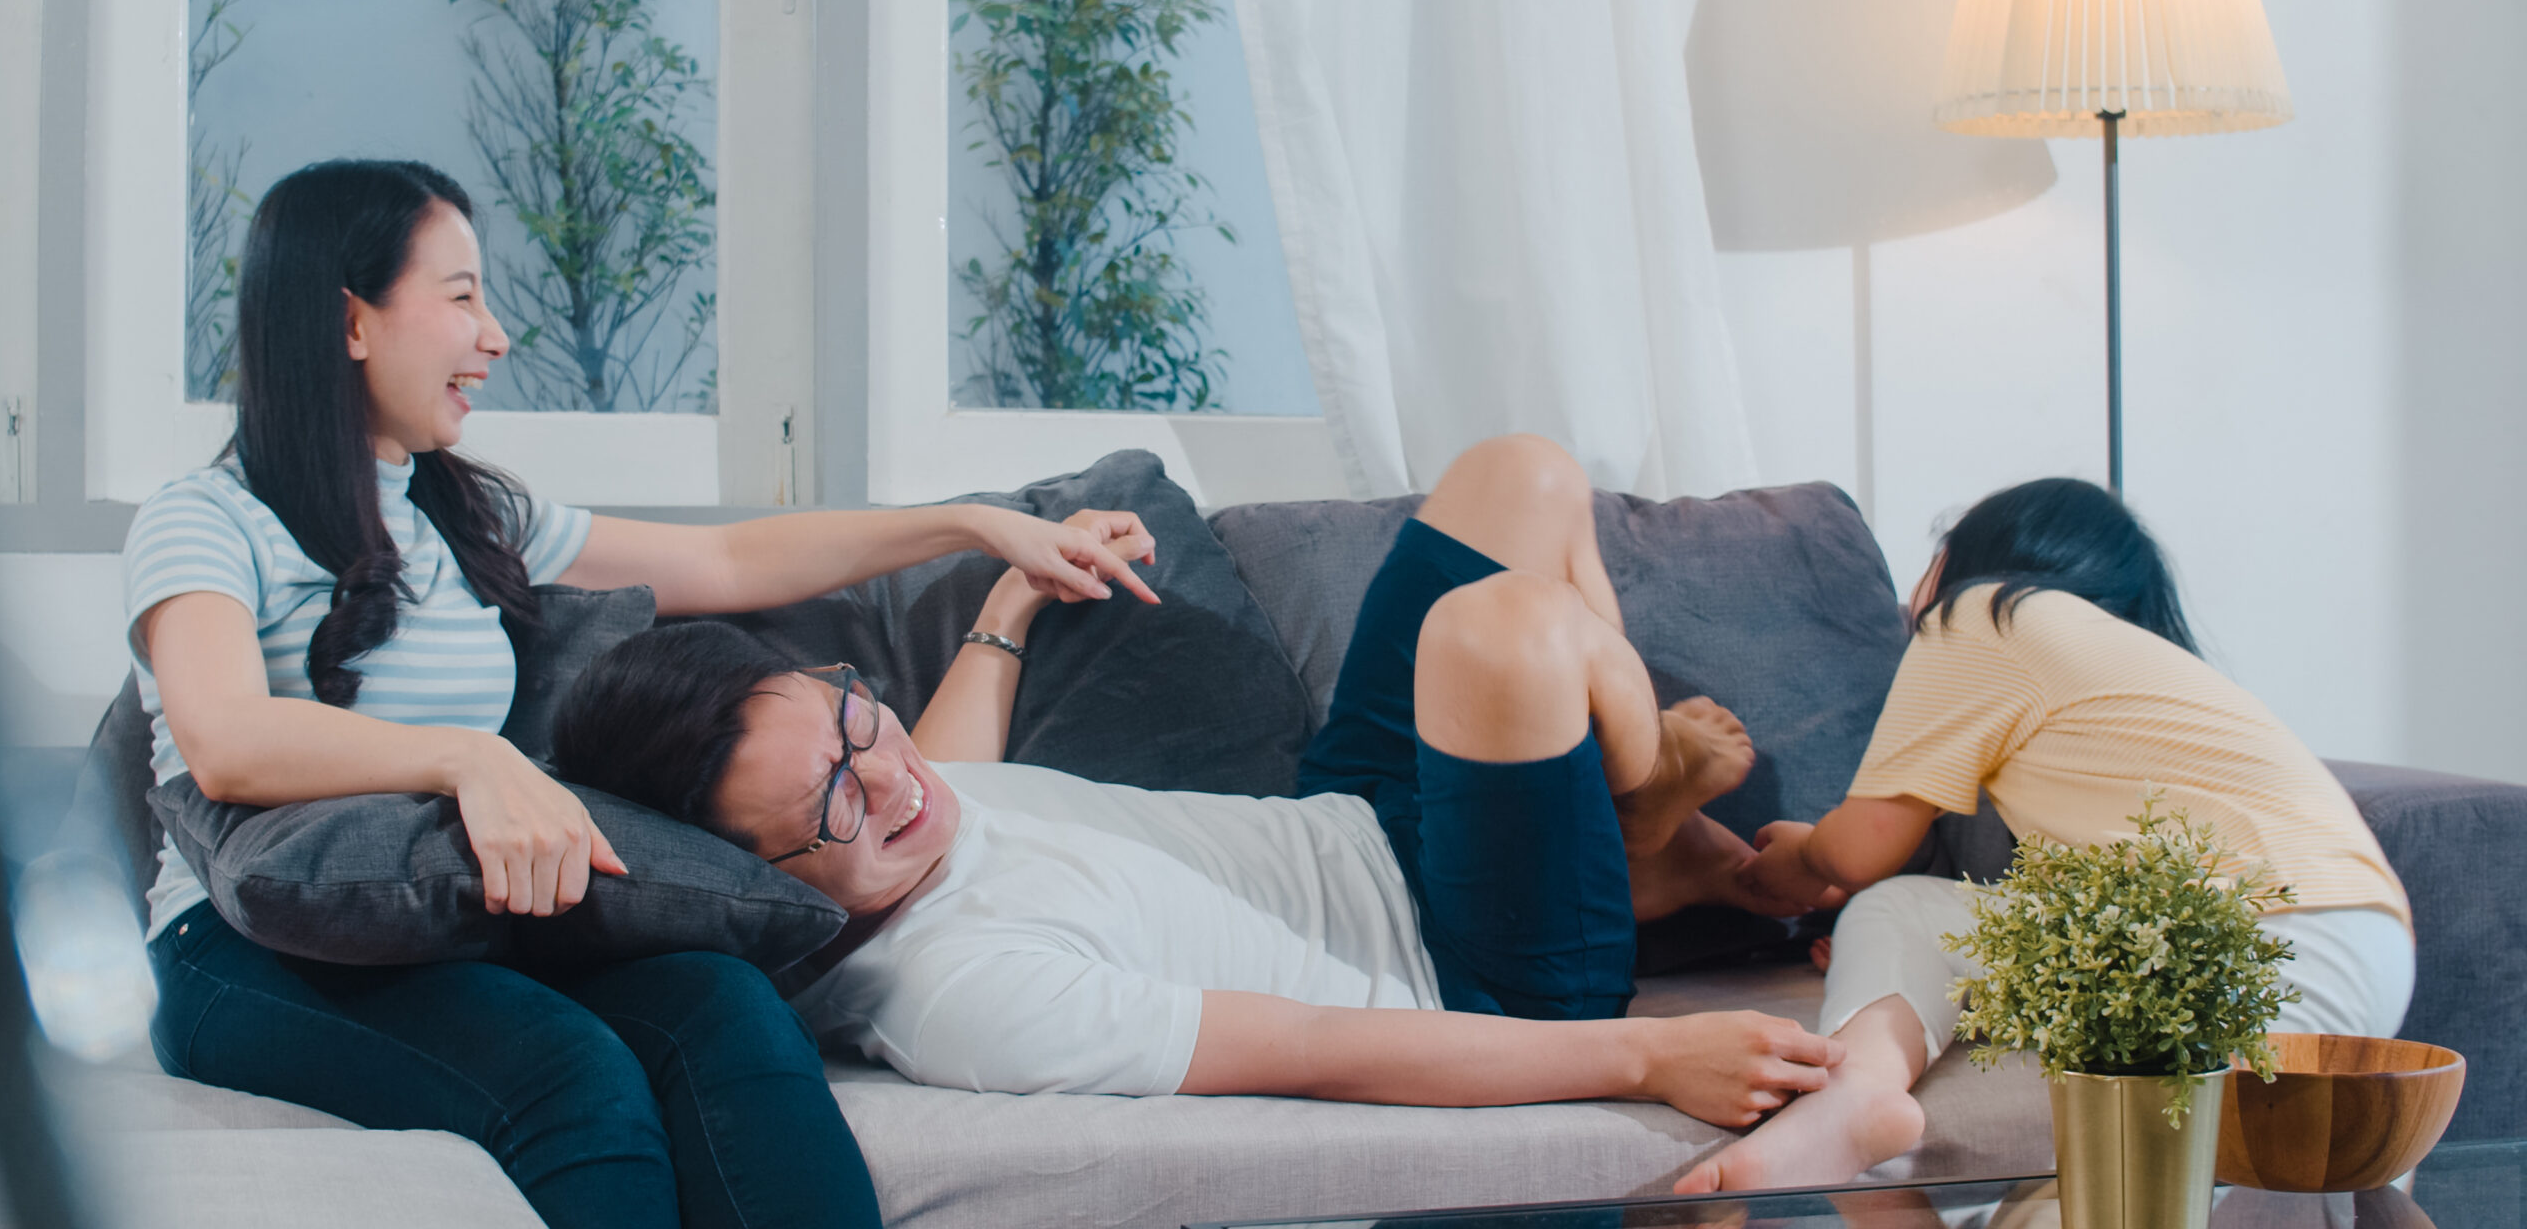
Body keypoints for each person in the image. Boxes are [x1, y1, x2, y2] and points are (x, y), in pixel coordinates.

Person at [127, 159, 1162, 1229]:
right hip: (239, 951)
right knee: (573, 1075)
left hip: (447, 926)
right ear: (352, 321)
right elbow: (226, 743)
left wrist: (974, 525)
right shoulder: (204, 519)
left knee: (728, 1009)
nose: (497, 336)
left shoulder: (468, 516)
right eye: (462, 296)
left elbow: (726, 565)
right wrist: (469, 757)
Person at [555, 434, 1850, 1124]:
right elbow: (1314, 1047)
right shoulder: (963, 994)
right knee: (1497, 628)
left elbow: (943, 759)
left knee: (1522, 476)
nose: (887, 783)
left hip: (1355, 819)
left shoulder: (912, 803)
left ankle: (1626, 828)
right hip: (1468, 962)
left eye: (851, 720)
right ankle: (1632, 799)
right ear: (767, 885)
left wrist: (1013, 590)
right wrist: (1646, 1061)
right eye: (834, 803)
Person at [1676, 478, 2415, 1192]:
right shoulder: (2128, 681)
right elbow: (2006, 916)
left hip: (2258, 940)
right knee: (1908, 912)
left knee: (1898, 904)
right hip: (2344, 940)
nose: (1909, 598)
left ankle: (1861, 1090)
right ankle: (1862, 1096)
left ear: (1968, 562)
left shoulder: (1982, 615)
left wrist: (1803, 860)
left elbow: (1863, 845)